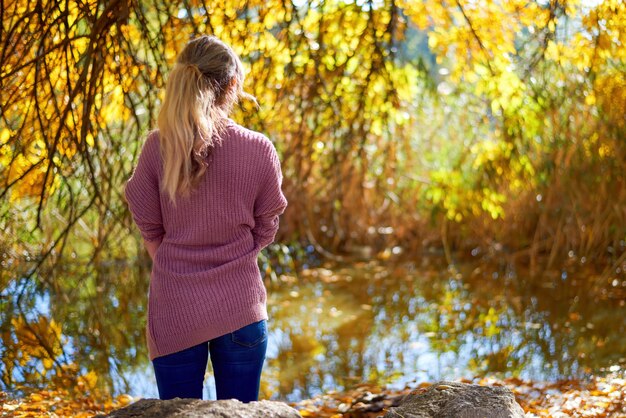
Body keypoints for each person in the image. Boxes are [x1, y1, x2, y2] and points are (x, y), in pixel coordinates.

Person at [124, 35, 287, 402]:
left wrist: (182, 267)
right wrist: (232, 261)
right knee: (243, 413)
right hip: (240, 306)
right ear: (232, 86)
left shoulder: (157, 147)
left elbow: (149, 227)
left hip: (175, 309)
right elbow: (266, 226)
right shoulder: (259, 149)